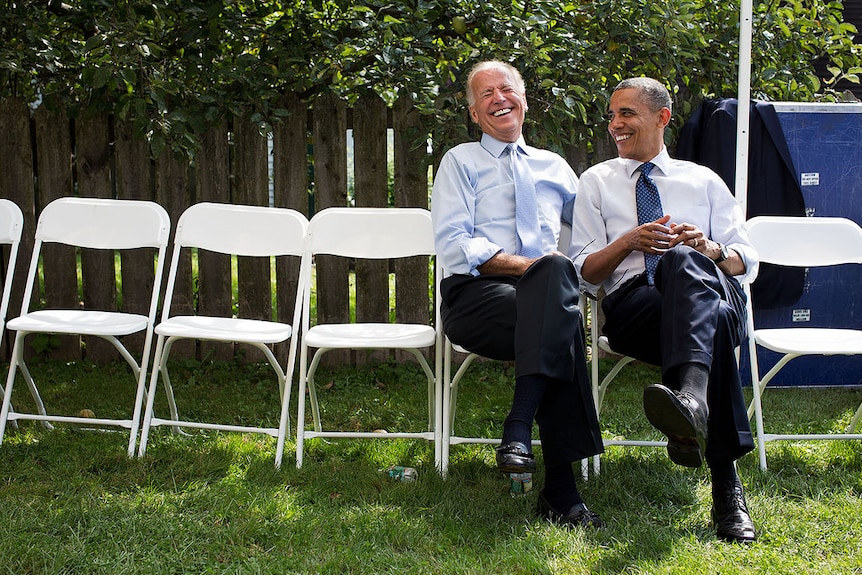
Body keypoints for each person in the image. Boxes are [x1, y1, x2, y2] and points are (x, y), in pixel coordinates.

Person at [570, 77, 759, 543]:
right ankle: (726, 486)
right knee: (707, 320)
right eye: (612, 114)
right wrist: (630, 241)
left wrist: (708, 249)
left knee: (686, 263)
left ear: (662, 118)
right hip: (638, 308)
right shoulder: (596, 182)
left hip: (714, 289)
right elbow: (583, 272)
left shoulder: (704, 179)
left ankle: (692, 405)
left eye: (626, 113)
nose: (615, 124)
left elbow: (746, 260)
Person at [431, 60, 604, 529]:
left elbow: (591, 232)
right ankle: (560, 489)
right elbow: (453, 244)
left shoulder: (556, 168)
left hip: (544, 301)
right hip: (478, 298)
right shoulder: (460, 163)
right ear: (473, 113)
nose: (498, 98)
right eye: (485, 94)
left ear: (524, 101)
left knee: (557, 306)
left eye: (506, 89)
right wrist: (539, 270)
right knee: (558, 304)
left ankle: (519, 434)